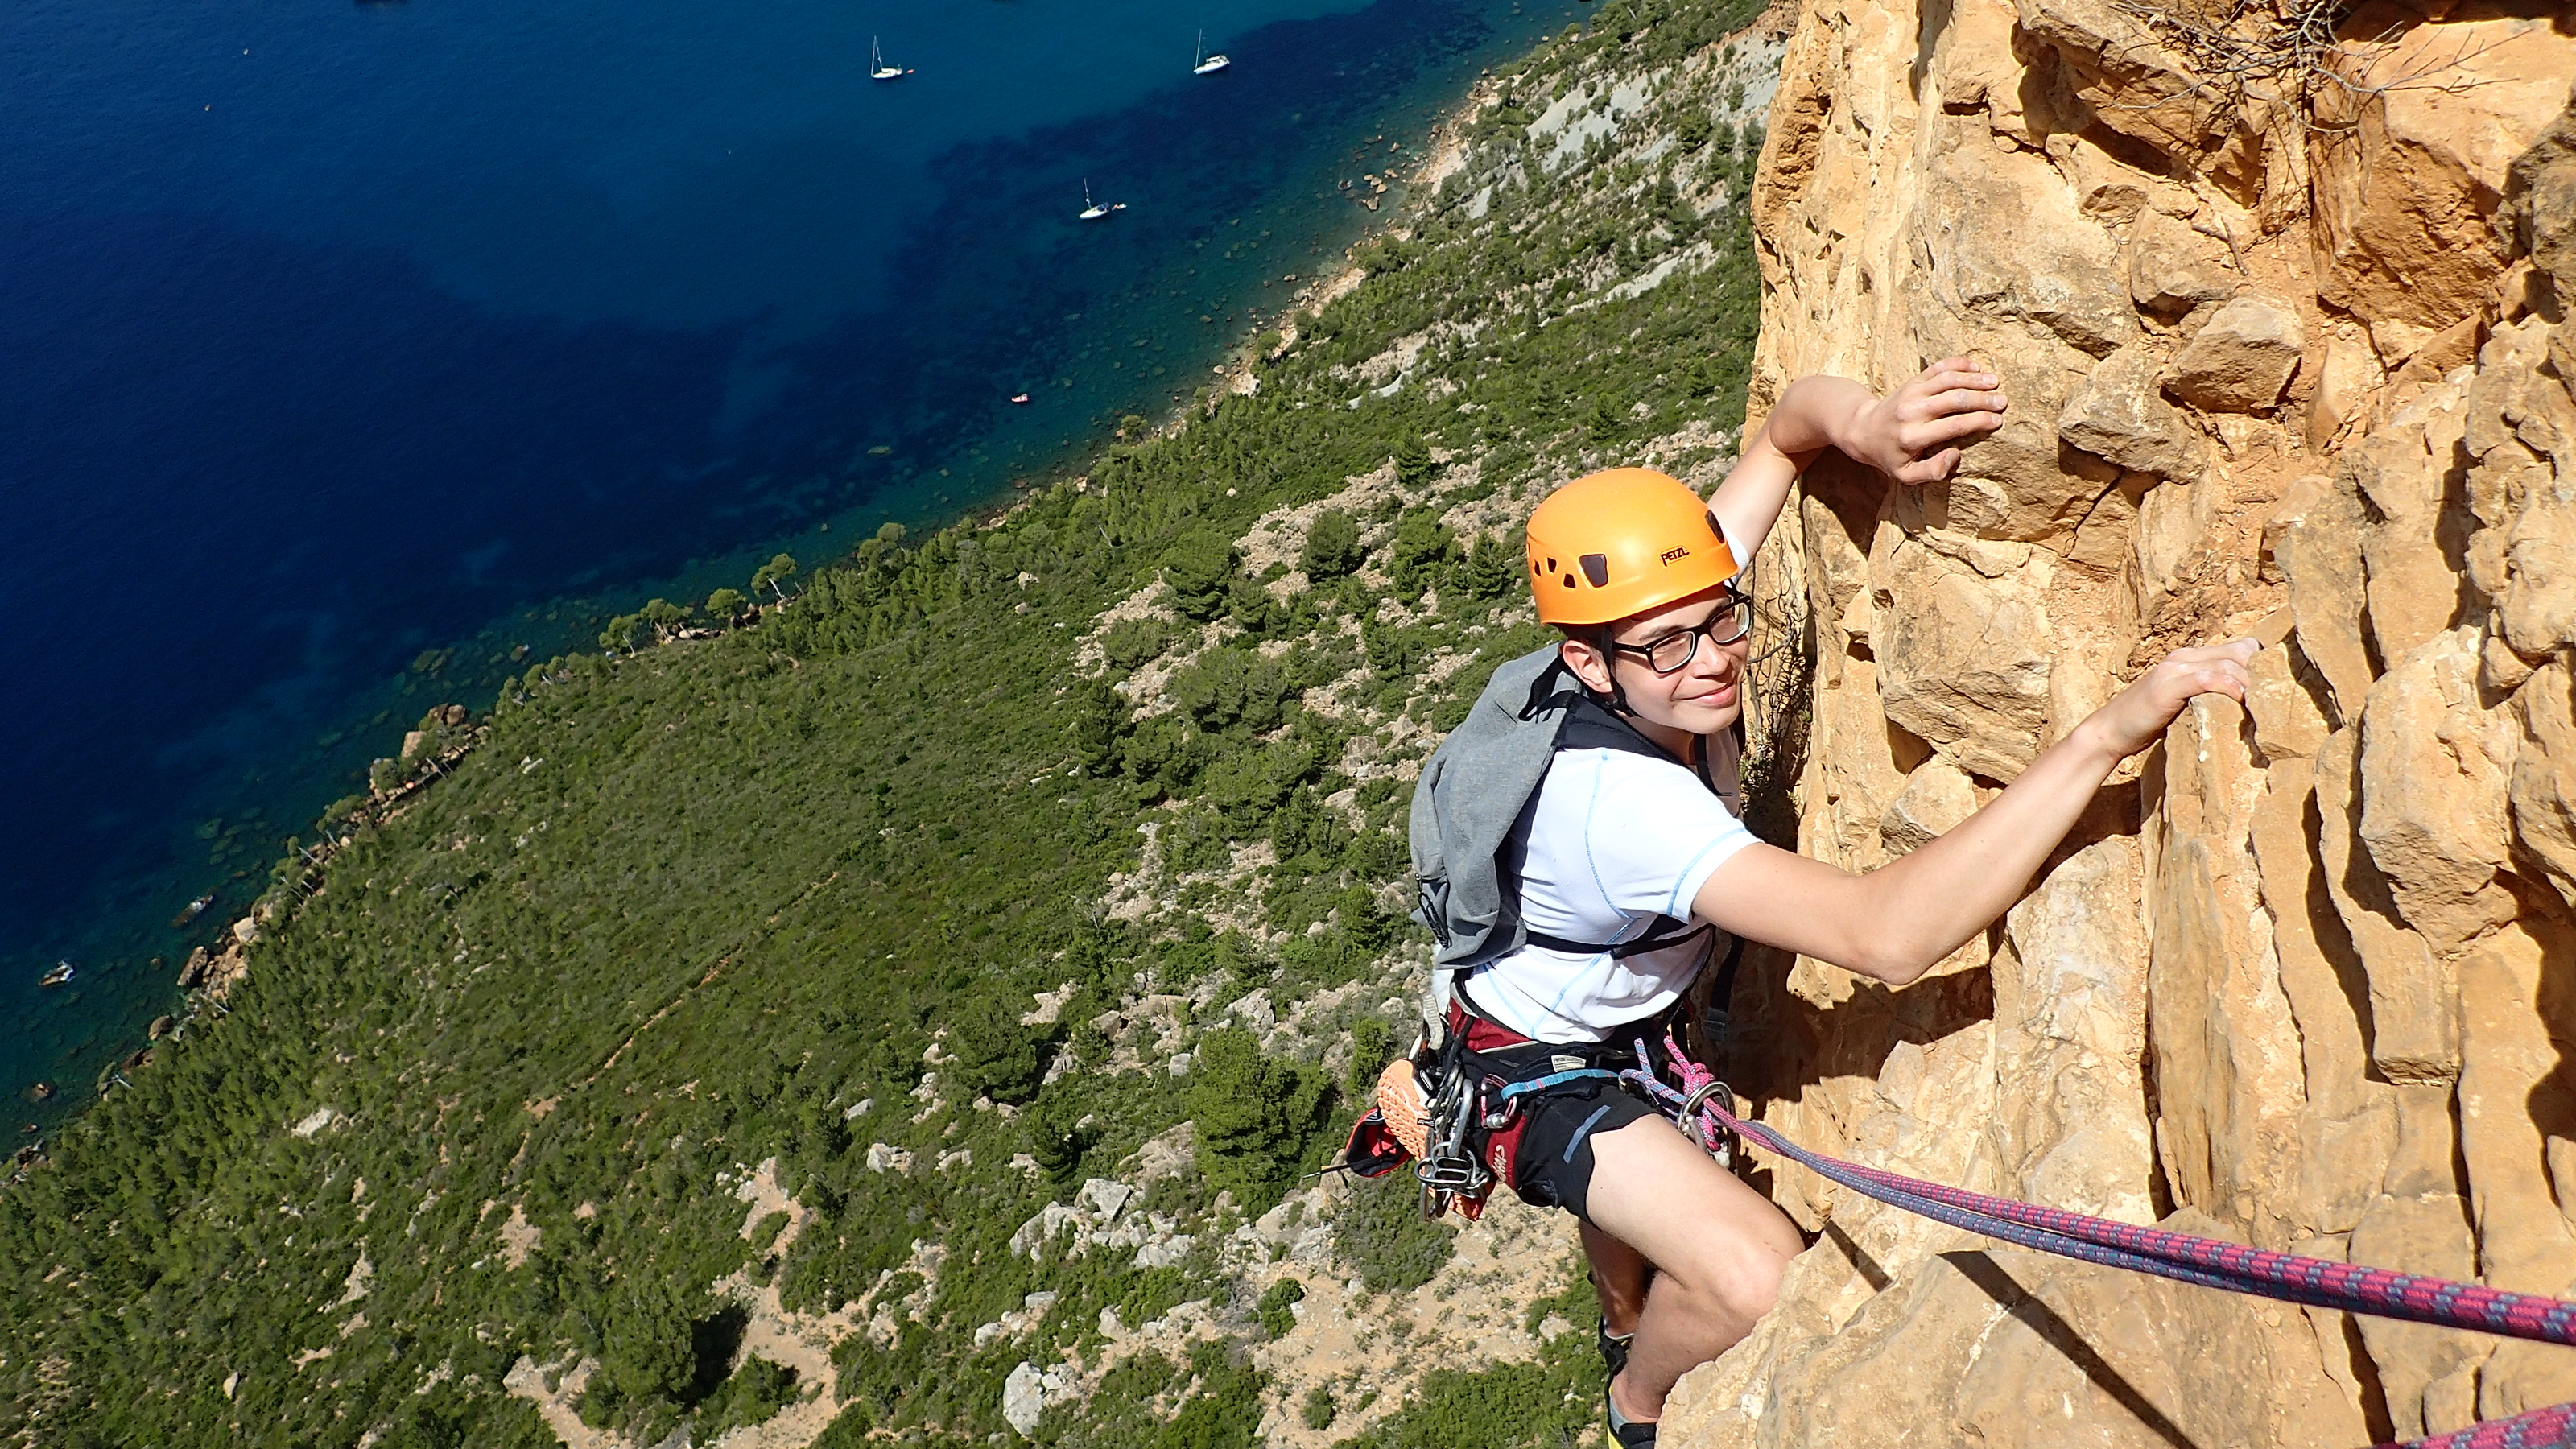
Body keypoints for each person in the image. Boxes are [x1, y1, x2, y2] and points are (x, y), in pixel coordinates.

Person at [1422, 358, 2256, 1446]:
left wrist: (1867, 424)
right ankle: (1634, 1399)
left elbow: (1785, 433)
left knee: (1644, 1210)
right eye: (1668, 648)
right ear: (1587, 664)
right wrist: (2105, 733)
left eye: (1723, 620)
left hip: (1615, 1003)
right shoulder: (1616, 805)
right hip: (1537, 1070)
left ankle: (1625, 1305)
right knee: (1749, 1275)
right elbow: (1889, 937)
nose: (1712, 664)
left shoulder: (1660, 610)